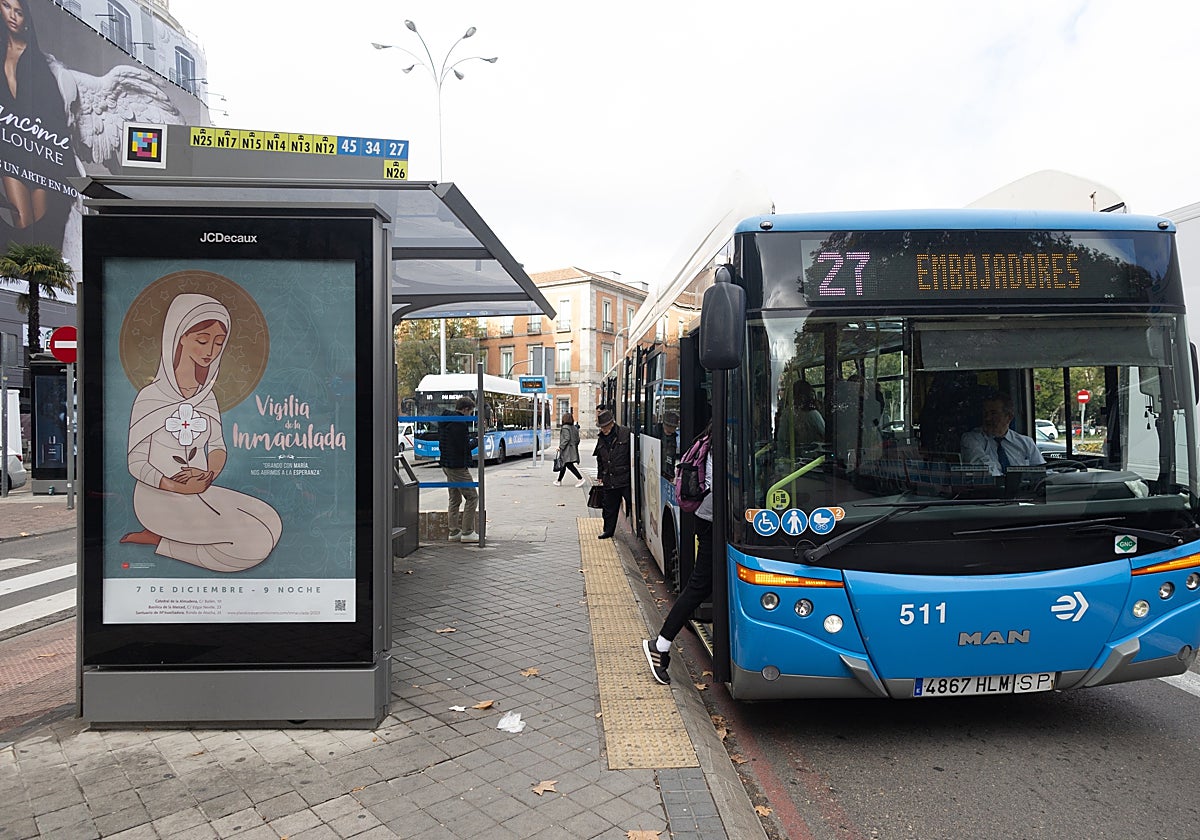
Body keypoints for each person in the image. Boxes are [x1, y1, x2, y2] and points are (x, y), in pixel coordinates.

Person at [121, 293, 282, 571]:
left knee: (270, 520)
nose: (211, 351)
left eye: (219, 343)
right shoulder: (150, 397)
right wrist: (176, 486)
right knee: (253, 545)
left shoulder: (206, 397)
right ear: (179, 337)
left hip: (199, 490)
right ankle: (163, 541)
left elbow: (217, 446)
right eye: (202, 340)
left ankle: (165, 539)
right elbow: (135, 462)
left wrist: (208, 474)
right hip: (157, 498)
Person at [642, 420, 714, 685]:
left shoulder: (706, 441)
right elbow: (713, 488)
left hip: (707, 520)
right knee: (698, 586)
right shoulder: (717, 447)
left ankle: (661, 644)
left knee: (703, 585)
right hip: (711, 523)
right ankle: (660, 644)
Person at [0, 0, 71, 232]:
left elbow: (53, 113)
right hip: (11, 149)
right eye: (6, 6)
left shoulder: (37, 62)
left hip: (39, 151)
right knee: (21, 218)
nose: (13, 16)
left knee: (40, 227)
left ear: (26, 19)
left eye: (19, 12)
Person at [960, 391, 1044, 476]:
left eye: (993, 413)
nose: (987, 418)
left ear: (1009, 417)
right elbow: (983, 469)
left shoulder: (1026, 443)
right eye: (985, 413)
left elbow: (1041, 472)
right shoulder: (972, 439)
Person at [439, 395, 479, 543]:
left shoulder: (446, 420)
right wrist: (477, 440)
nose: (470, 416)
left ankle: (454, 531)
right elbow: (464, 447)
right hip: (458, 466)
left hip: (446, 464)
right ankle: (468, 532)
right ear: (465, 409)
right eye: (470, 412)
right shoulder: (459, 424)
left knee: (455, 498)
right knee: (472, 497)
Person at [592, 408, 631, 539]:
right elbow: (599, 458)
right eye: (601, 427)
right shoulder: (601, 438)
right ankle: (608, 531)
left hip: (625, 478)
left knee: (631, 503)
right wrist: (600, 475)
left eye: (605, 426)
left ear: (612, 423)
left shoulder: (625, 433)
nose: (603, 429)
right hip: (609, 478)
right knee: (608, 508)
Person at [554, 411, 585, 487]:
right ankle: (559, 481)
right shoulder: (574, 427)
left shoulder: (565, 427)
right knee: (564, 464)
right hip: (572, 449)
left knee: (568, 464)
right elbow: (578, 439)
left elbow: (566, 438)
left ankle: (580, 478)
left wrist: (560, 447)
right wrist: (574, 445)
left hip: (567, 450)